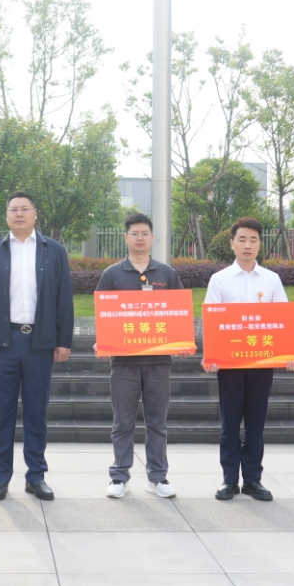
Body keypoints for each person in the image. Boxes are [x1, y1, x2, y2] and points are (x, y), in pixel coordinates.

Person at [0, 192, 74, 501]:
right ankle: (0, 477)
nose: (19, 213)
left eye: (25, 209)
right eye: (13, 209)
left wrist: (64, 341)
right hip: (3, 342)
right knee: (1, 413)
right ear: (6, 215)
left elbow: (64, 297)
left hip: (40, 343)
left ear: (35, 214)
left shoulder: (53, 250)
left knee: (36, 412)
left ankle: (36, 476)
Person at [204, 217, 294, 502]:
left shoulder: (271, 279)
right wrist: (211, 357)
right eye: (242, 239)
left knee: (256, 424)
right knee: (230, 424)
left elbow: (282, 320)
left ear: (260, 245)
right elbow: (212, 321)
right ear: (232, 243)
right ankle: (229, 480)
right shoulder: (219, 279)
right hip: (230, 365)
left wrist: (290, 355)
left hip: (261, 364)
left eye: (253, 240)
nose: (247, 245)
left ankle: (253, 480)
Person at [95, 213, 183, 500]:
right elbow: (103, 314)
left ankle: (157, 477)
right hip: (124, 364)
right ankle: (119, 477)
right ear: (126, 238)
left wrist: (182, 340)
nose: (140, 238)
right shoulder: (112, 274)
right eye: (135, 233)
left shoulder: (167, 274)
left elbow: (179, 314)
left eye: (145, 233)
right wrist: (102, 342)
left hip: (159, 363)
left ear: (153, 238)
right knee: (123, 422)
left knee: (157, 423)